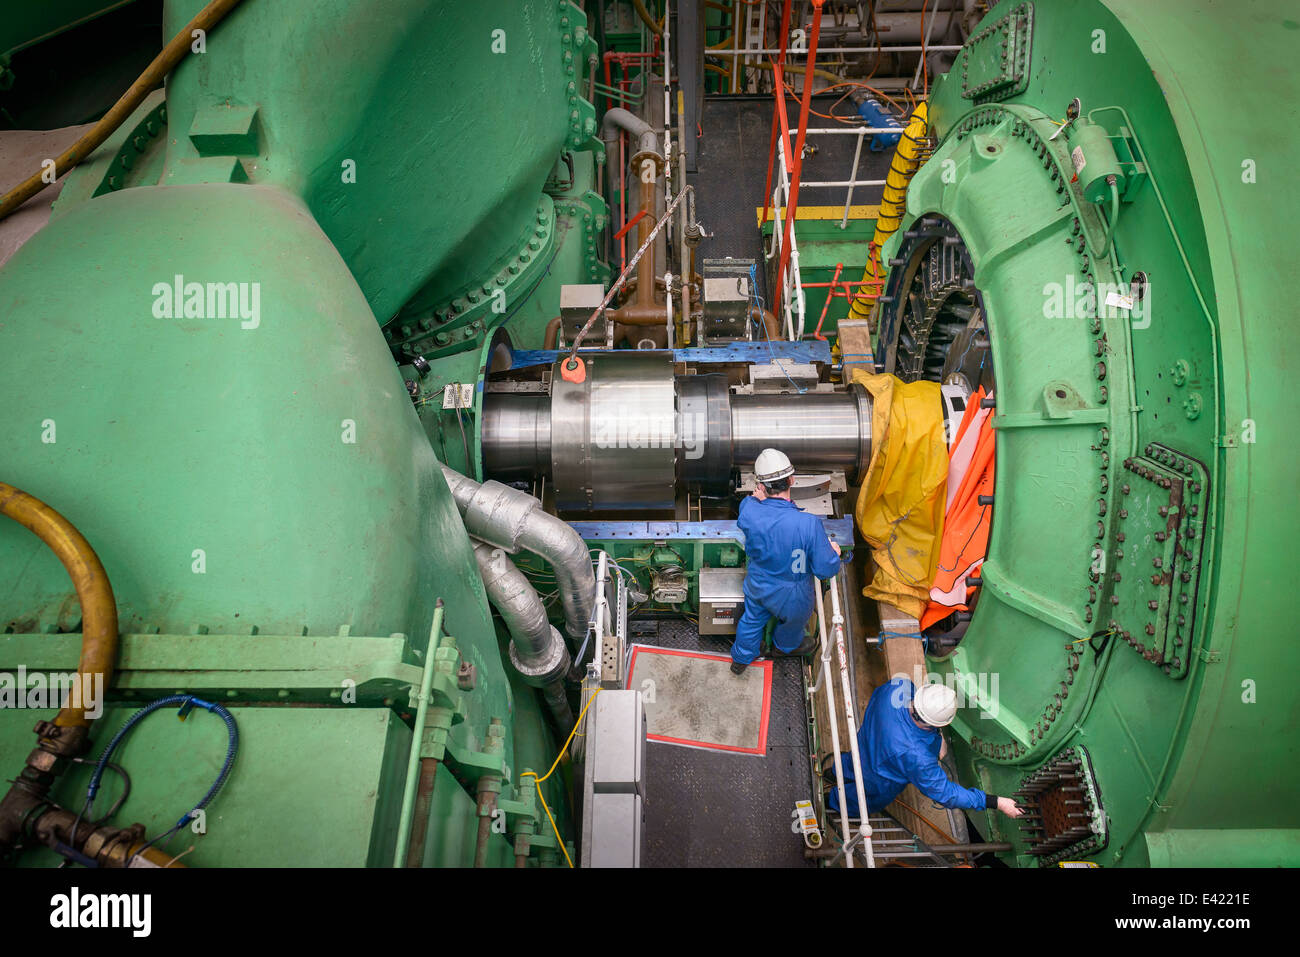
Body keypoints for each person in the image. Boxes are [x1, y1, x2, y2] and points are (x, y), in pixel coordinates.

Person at [828, 678, 1024, 819]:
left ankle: (833, 773)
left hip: (861, 748)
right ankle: (833, 804)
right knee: (860, 798)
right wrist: (996, 802)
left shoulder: (898, 687)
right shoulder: (917, 756)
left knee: (847, 766)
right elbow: (946, 793)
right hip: (880, 780)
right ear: (936, 723)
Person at [730, 448, 843, 676]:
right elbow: (824, 569)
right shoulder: (807, 524)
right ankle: (784, 648)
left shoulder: (749, 512)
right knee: (794, 623)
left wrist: (756, 497)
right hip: (794, 592)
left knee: (751, 621)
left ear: (761, 486)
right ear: (792, 480)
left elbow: (748, 504)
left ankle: (741, 659)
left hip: (759, 583)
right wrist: (835, 553)